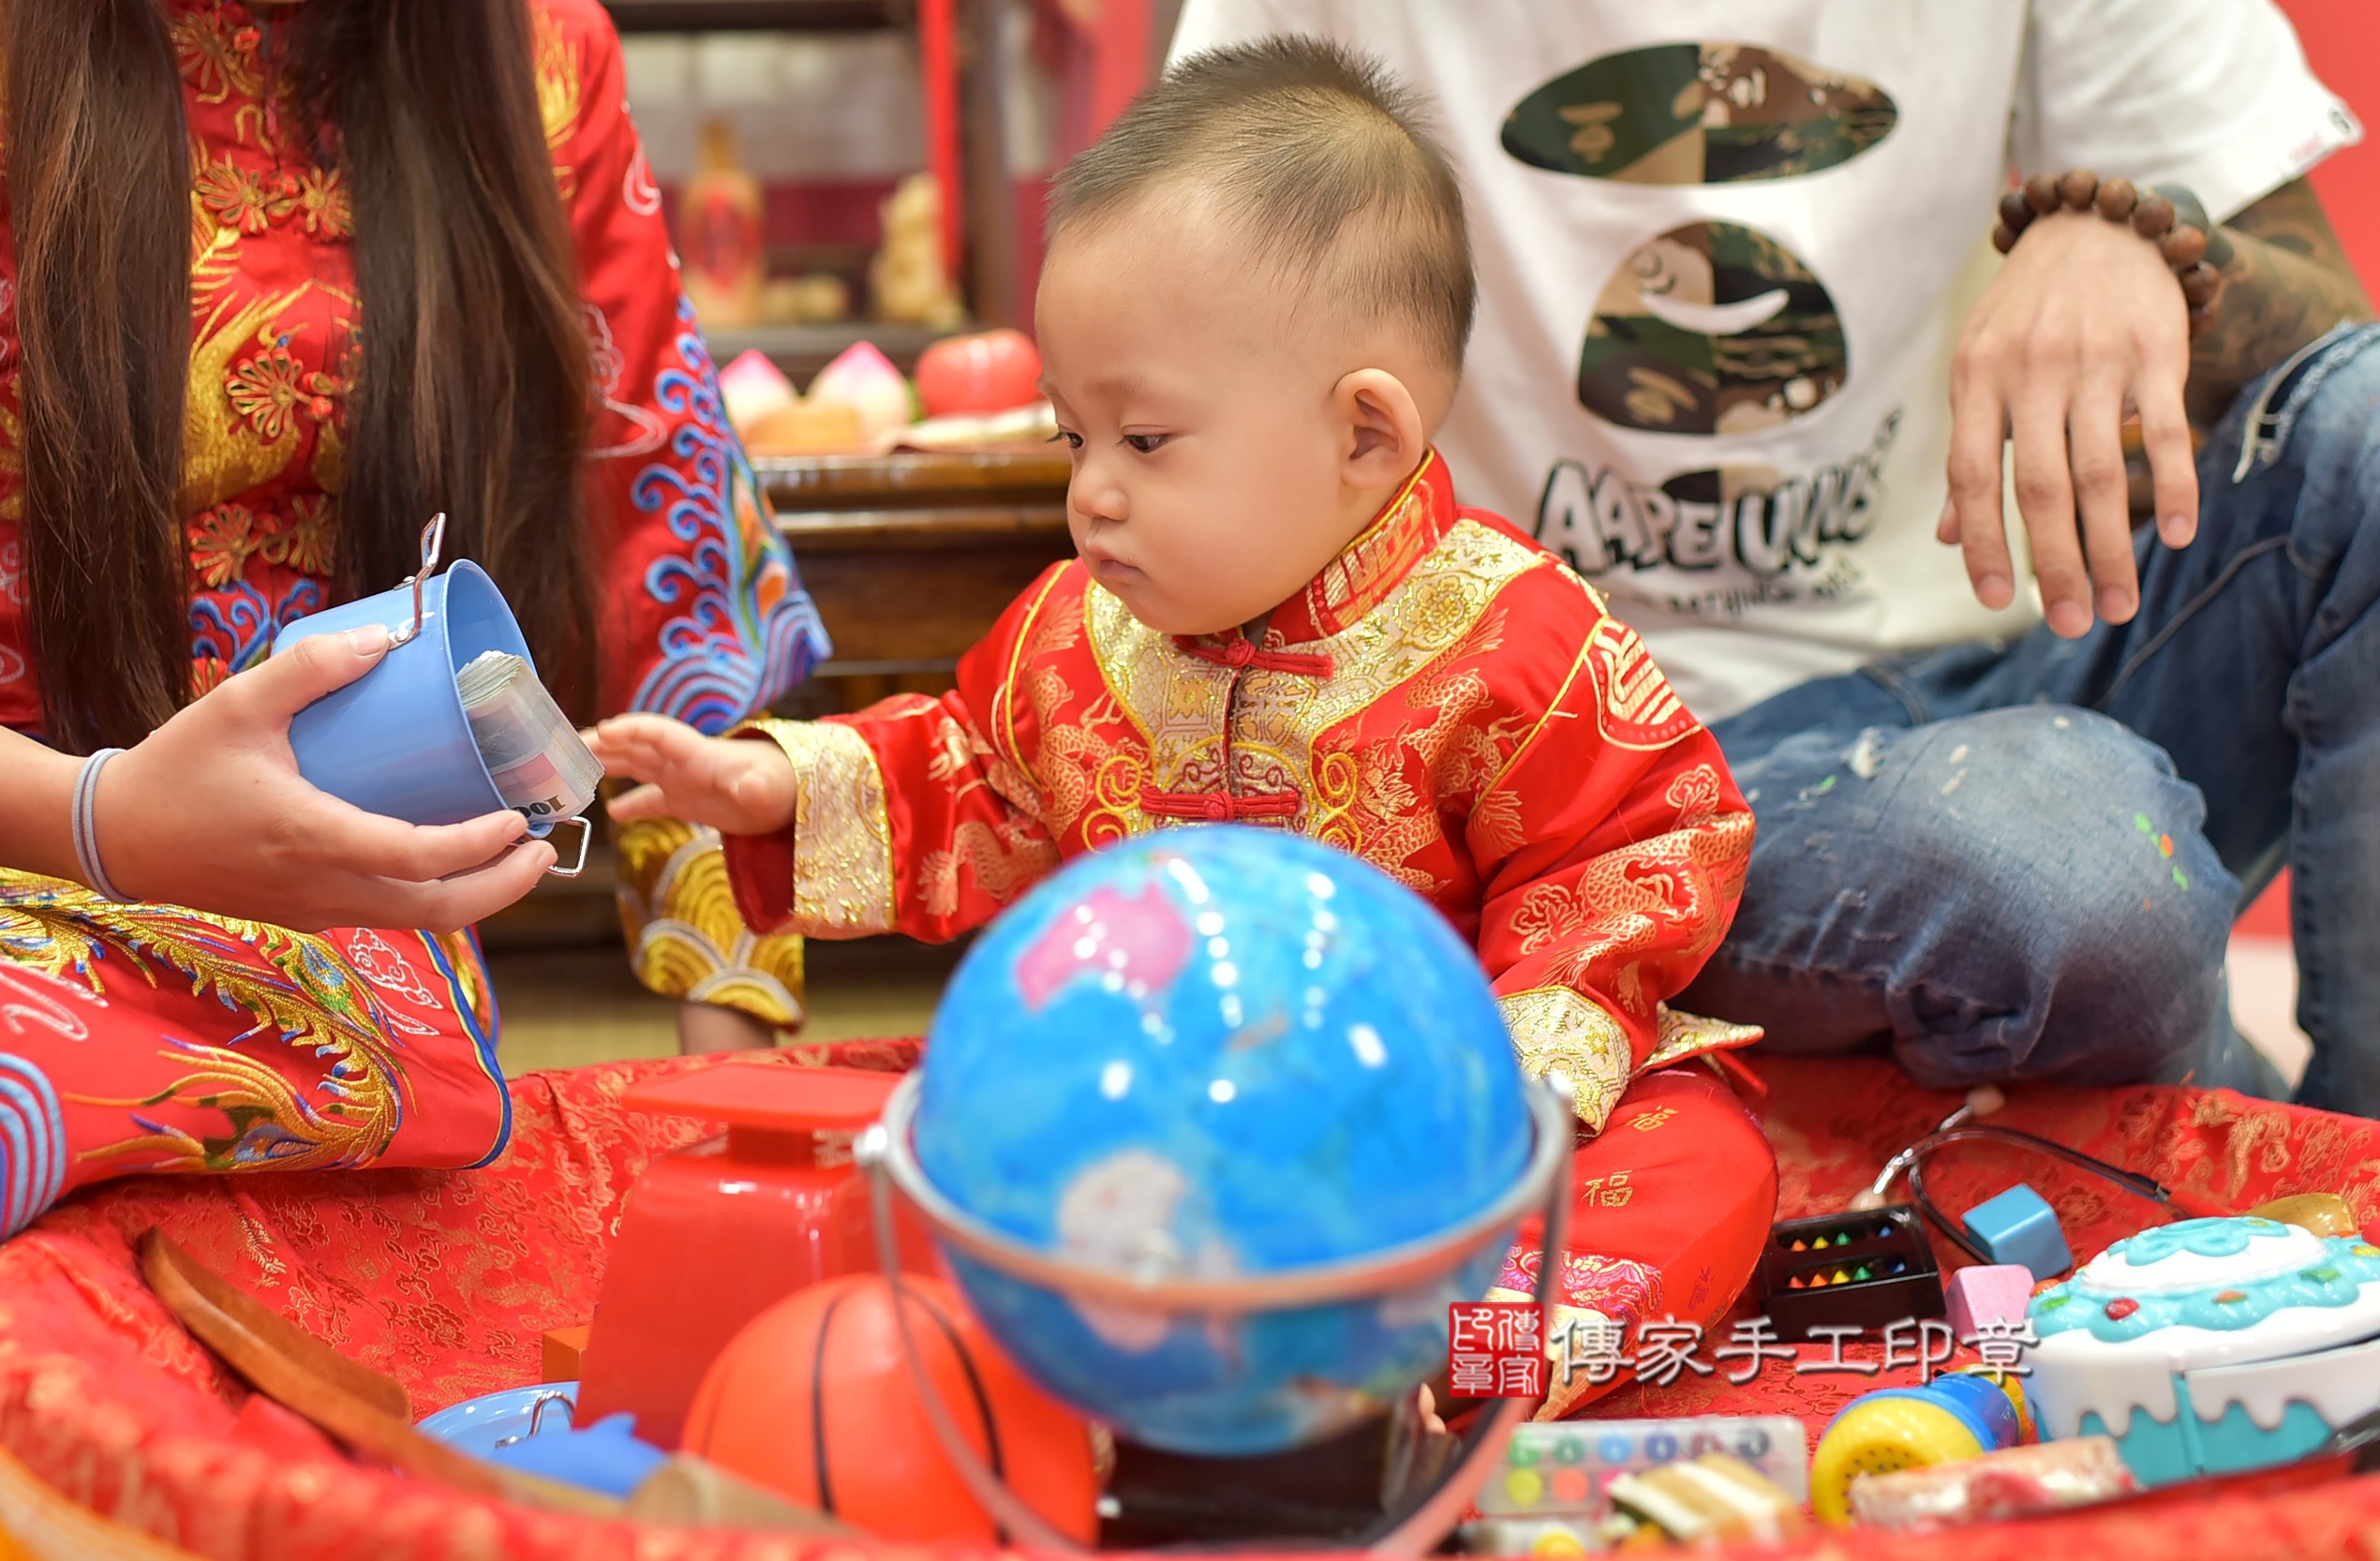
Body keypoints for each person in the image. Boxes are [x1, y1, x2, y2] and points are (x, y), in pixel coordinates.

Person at [590, 37, 1779, 1419]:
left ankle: (1444, 1365)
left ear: (1365, 437)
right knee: (909, 1117)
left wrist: (1507, 1082)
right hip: (1166, 1109)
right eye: (1069, 436)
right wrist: (773, 786)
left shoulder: (1515, 642)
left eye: (1143, 442)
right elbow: (975, 780)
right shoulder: (1067, 639)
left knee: (1693, 1161)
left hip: (1441, 1142)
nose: (1090, 493)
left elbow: (1640, 841)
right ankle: (1105, 1339)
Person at [1169, 1, 2380, 1110]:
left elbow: (2332, 353)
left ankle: (2358, 1161)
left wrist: (2142, 250)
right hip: (1597, 769)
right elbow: (1184, 320)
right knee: (2067, 856)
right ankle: (2216, 1099)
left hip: (2015, 656)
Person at [0, 0, 829, 1236]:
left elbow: (663, 566)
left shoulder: (538, 55)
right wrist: (102, 821)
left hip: (349, 995)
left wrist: (743, 1135)